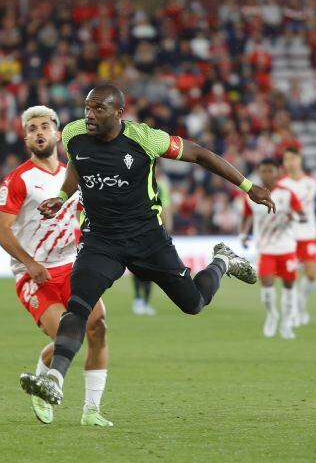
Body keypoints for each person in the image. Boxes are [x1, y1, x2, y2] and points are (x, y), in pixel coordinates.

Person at [19, 85, 275, 407]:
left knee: (193, 303)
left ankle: (222, 260)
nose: (89, 114)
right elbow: (77, 169)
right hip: (101, 240)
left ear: (118, 113)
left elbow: (200, 154)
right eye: (87, 107)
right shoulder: (73, 134)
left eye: (99, 109)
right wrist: (59, 197)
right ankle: (54, 380)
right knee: (78, 306)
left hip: (147, 239)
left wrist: (248, 187)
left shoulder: (145, 139)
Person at [0, 106, 112, 427]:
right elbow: (0, 229)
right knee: (65, 334)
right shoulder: (18, 180)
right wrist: (30, 263)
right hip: (35, 274)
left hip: (72, 266)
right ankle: (43, 379)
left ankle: (91, 411)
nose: (39, 132)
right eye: (32, 129)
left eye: (45, 126)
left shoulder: (72, 175)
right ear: (25, 138)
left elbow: (83, 215)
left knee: (98, 329)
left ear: (58, 134)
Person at [240, 159, 305, 339]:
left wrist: (294, 217)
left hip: (287, 247)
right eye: (263, 171)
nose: (266, 174)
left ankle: (286, 322)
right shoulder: (251, 195)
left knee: (289, 286)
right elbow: (246, 217)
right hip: (266, 249)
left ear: (278, 172)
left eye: (270, 170)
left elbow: (302, 216)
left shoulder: (287, 194)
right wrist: (243, 234)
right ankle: (272, 315)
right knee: (267, 286)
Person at [278, 147, 316, 326]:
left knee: (311, 275)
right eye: (286, 159)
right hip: (288, 236)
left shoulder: (312, 184)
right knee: (290, 276)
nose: (290, 162)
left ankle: (301, 301)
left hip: (308, 235)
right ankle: (293, 311)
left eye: (293, 158)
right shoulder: (281, 185)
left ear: (300, 159)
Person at [132, 174, 173, 316]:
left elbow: (166, 208)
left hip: (153, 232)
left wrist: (167, 230)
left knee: (150, 269)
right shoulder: (138, 180)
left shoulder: (161, 186)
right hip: (137, 231)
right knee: (138, 267)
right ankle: (138, 299)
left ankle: (144, 302)